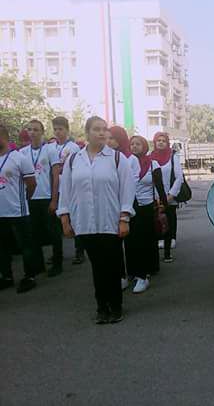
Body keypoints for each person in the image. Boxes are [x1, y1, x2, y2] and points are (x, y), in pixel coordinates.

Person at [57, 116, 136, 324]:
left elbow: (127, 190)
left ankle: (116, 306)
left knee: (111, 265)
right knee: (97, 266)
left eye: (104, 129)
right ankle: (102, 306)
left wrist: (124, 218)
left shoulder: (118, 159)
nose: (101, 133)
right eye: (96, 129)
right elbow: (65, 190)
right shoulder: (74, 160)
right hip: (84, 222)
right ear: (87, 133)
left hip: (110, 221)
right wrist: (65, 218)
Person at [125, 135, 168, 293]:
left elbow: (159, 186)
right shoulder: (126, 163)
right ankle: (132, 271)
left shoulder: (152, 164)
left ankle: (148, 270)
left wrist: (163, 205)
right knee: (131, 241)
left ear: (144, 146)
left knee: (147, 239)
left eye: (138, 144)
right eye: (132, 144)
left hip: (148, 207)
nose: (135, 146)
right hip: (131, 207)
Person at [19, 120, 62, 277]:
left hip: (46, 197)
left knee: (53, 232)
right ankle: (39, 265)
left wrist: (54, 199)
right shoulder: (23, 152)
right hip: (30, 198)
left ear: (42, 132)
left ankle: (58, 263)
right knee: (34, 233)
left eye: (36, 130)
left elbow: (56, 176)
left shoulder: (50, 149)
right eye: (29, 129)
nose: (32, 132)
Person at [0, 123, 39, 293]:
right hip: (0, 213)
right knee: (2, 247)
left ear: (4, 137)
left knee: (25, 246)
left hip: (18, 211)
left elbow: (31, 184)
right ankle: (7, 276)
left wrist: (25, 200)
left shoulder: (19, 158)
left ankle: (29, 276)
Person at [107, 126, 140, 289]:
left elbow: (132, 182)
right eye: (108, 138)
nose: (109, 141)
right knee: (114, 243)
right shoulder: (106, 158)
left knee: (131, 242)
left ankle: (135, 272)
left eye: (112, 138)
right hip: (111, 204)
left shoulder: (130, 159)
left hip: (127, 203)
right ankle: (120, 275)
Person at [50, 116, 84, 265]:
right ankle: (57, 253)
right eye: (55, 129)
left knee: (74, 217)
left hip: (70, 187)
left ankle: (79, 251)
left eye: (61, 129)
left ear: (67, 130)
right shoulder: (51, 147)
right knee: (57, 222)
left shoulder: (73, 148)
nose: (58, 132)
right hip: (55, 187)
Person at [150, 132, 183, 263]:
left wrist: (170, 195)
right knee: (157, 222)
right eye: (158, 140)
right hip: (154, 197)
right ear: (154, 142)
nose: (161, 142)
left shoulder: (173, 156)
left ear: (167, 142)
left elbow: (179, 177)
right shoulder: (150, 157)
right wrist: (156, 197)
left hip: (170, 196)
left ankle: (168, 251)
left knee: (169, 221)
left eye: (164, 140)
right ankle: (158, 244)